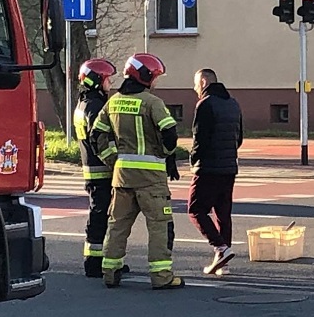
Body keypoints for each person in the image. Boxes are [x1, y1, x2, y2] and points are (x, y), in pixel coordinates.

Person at [91, 53, 185, 290]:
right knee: (159, 226)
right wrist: (165, 153)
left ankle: (110, 272)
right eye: (154, 77)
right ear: (145, 77)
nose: (155, 82)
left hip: (121, 176)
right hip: (151, 179)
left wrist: (112, 159)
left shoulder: (112, 102)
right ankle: (161, 276)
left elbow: (96, 135)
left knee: (117, 224)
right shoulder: (152, 102)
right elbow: (170, 134)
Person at [72, 58, 128, 278]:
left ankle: (101, 259)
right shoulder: (94, 106)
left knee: (101, 215)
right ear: (96, 81)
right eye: (106, 79)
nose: (110, 83)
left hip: (94, 171)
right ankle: (94, 262)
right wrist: (115, 163)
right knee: (100, 215)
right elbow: (99, 140)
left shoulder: (84, 103)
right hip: (101, 171)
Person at [187, 68, 244, 276]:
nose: (194, 89)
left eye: (195, 84)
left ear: (203, 82)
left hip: (208, 167)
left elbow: (199, 138)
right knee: (222, 213)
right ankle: (223, 263)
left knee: (195, 210)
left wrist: (193, 160)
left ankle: (220, 247)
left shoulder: (205, 104)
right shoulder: (233, 103)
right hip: (229, 167)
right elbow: (239, 138)